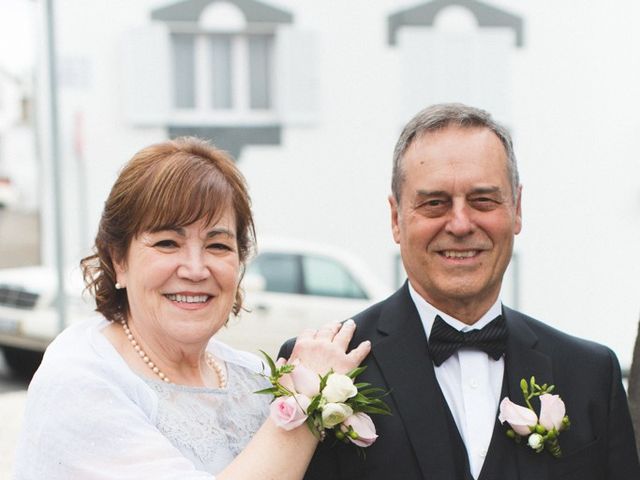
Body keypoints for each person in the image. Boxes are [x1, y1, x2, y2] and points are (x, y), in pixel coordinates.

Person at [281, 103, 640, 479]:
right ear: (395, 218)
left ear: (516, 209)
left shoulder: (590, 374)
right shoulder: (318, 373)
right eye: (434, 203)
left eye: (483, 200)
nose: (460, 223)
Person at [13, 137, 370, 479]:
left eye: (218, 246)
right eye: (168, 243)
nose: (196, 270)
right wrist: (307, 400)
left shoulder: (254, 378)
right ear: (118, 259)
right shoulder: (82, 381)